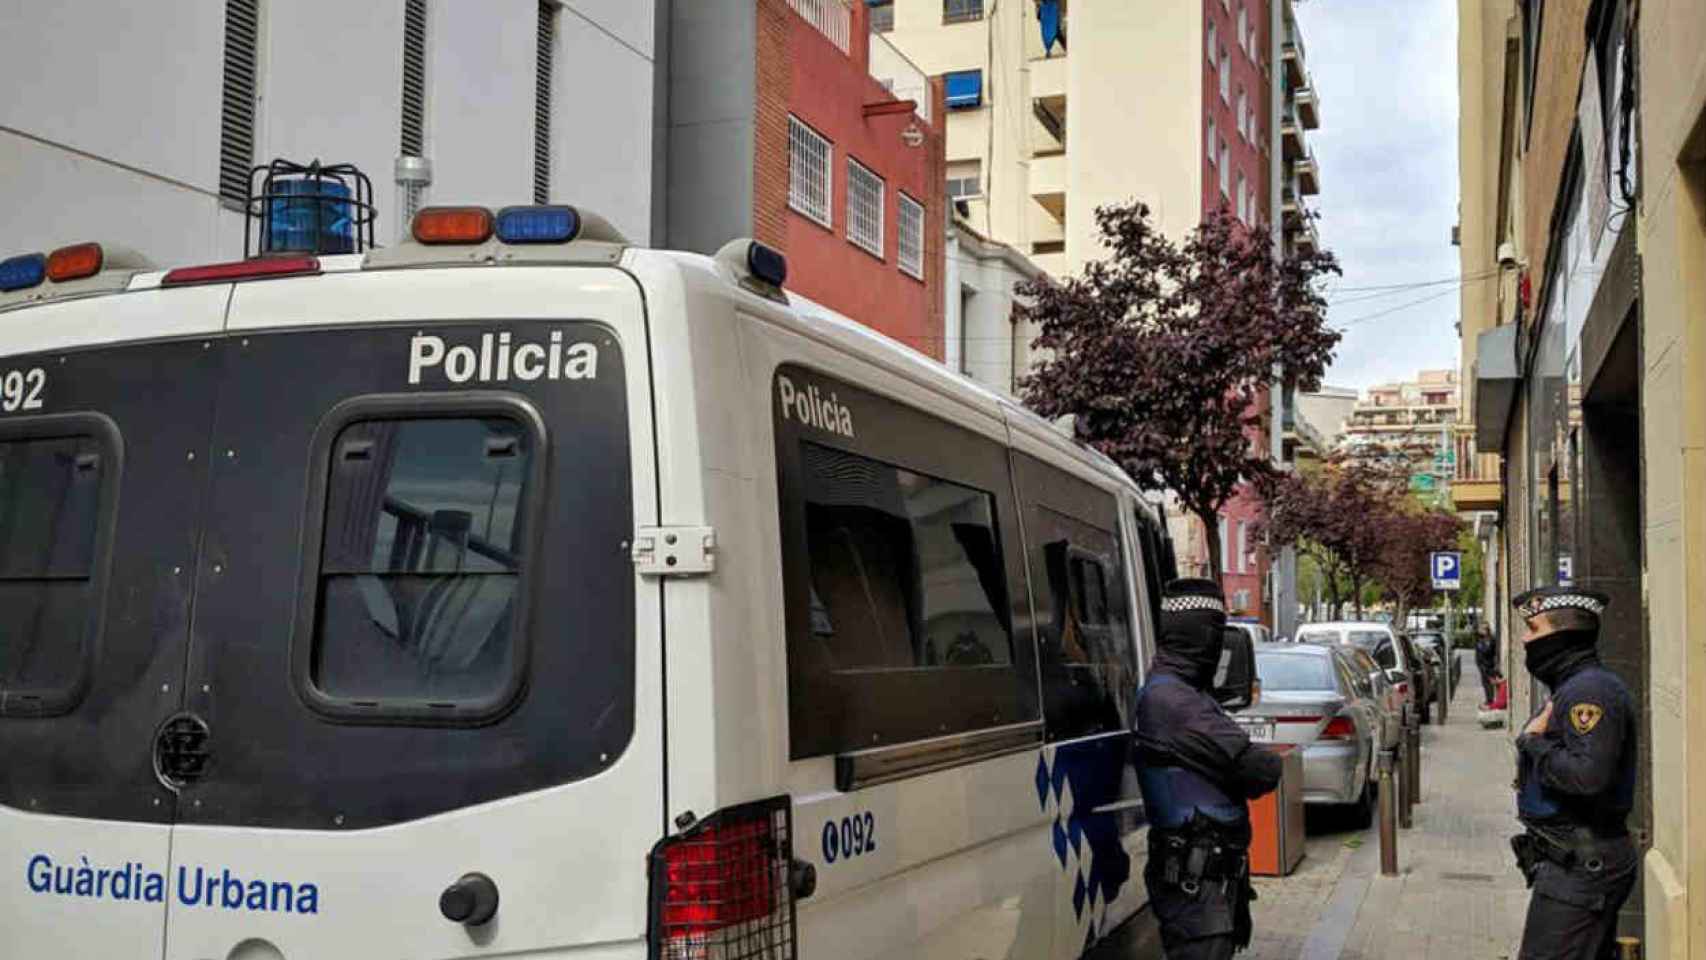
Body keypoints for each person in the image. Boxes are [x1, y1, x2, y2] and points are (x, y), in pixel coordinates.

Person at [1133, 579, 1283, 960]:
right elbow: (1259, 770)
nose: (1218, 645)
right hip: (1194, 886)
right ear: (1198, 635)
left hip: (1209, 884)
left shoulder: (1185, 694)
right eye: (1215, 632)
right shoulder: (1173, 702)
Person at [1509, 587, 1638, 960]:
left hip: (1583, 867)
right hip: (1574, 861)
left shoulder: (1590, 692)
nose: (1524, 638)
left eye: (1533, 628)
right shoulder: (1573, 686)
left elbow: (1587, 777)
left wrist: (1533, 743)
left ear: (1561, 636)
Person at [1476, 627, 1502, 707]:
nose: (1480, 631)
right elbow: (1478, 655)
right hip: (1483, 665)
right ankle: (1489, 700)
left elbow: (1490, 652)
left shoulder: (1491, 641)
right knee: (1485, 684)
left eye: (1482, 629)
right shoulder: (1481, 641)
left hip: (1489, 665)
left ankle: (1491, 700)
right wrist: (1479, 665)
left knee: (1490, 683)